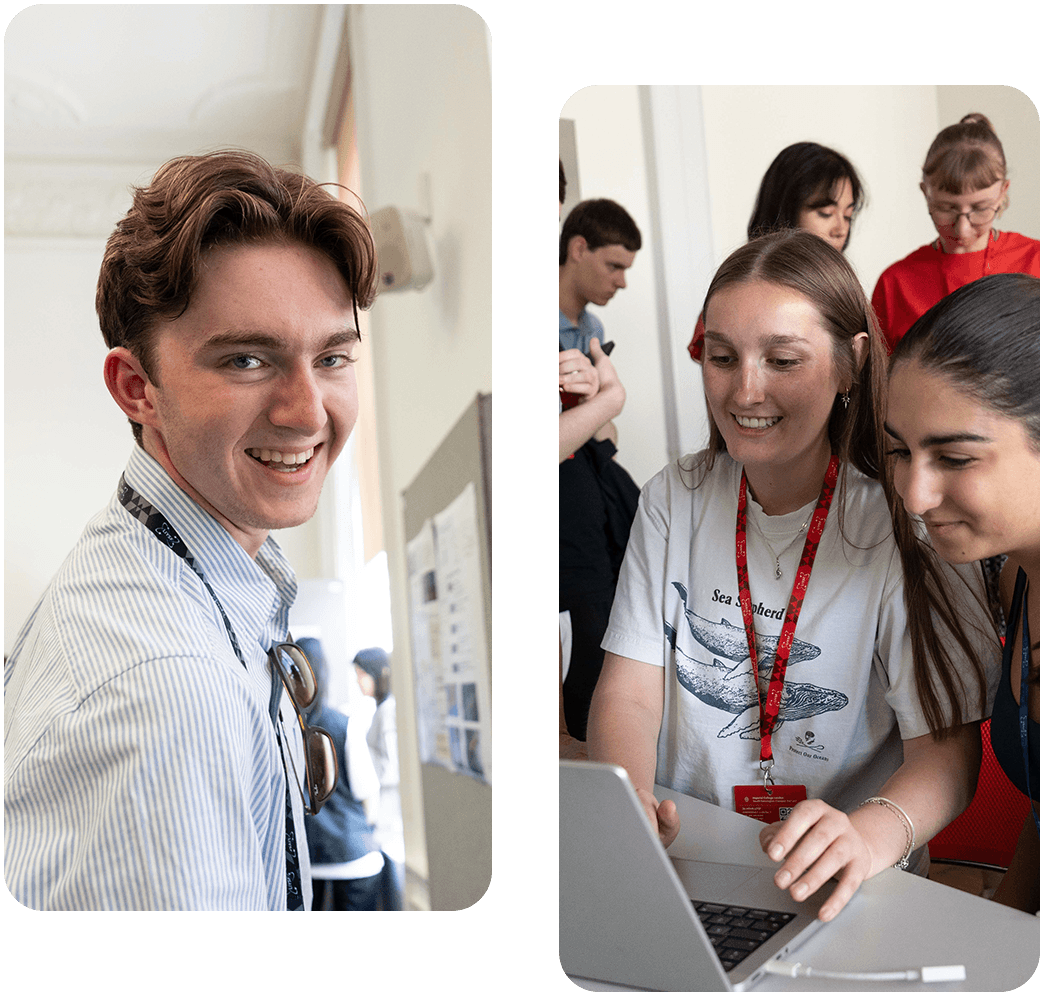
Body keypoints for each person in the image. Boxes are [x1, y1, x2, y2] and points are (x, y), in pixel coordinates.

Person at [589, 229, 998, 922]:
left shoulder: (906, 517)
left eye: (782, 360)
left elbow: (948, 754)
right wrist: (628, 798)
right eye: (722, 357)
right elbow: (628, 693)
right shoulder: (674, 498)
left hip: (850, 886)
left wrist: (865, 838)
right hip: (688, 868)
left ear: (850, 364)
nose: (746, 390)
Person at [4, 150, 377, 910]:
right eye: (247, 360)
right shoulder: (167, 687)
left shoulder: (168, 575)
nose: (308, 411)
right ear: (137, 388)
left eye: (332, 356)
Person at [885, 273, 1039, 913]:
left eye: (954, 458)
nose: (914, 496)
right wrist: (1001, 932)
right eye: (900, 450)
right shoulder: (1016, 577)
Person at [558, 197, 643, 741]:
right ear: (578, 249)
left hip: (592, 476)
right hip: (563, 494)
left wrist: (593, 408)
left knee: (621, 606)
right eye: (614, 266)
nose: (621, 281)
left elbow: (605, 432)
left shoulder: (592, 327)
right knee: (588, 618)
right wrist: (602, 404)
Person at [872, 113, 1040, 353]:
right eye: (946, 208)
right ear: (925, 193)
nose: (962, 229)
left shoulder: (1037, 261)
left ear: (1003, 192)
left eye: (980, 209)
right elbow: (878, 372)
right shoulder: (894, 284)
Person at [688, 142, 864, 362]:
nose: (840, 230)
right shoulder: (737, 291)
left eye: (848, 216)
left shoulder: (845, 290)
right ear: (785, 209)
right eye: (825, 213)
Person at [298, 638, 384, 910]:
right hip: (354, 855)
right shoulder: (343, 725)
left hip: (307, 861)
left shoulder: (281, 728)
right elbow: (367, 793)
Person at [354, 646, 405, 909]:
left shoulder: (388, 710)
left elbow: (393, 765)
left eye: (362, 674)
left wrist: (363, 767)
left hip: (390, 820)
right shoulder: (380, 709)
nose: (358, 681)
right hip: (384, 820)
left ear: (378, 673)